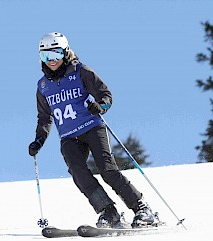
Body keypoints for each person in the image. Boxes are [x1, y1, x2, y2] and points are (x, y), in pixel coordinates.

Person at [28, 32, 157, 228]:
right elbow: (45, 117)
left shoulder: (81, 71)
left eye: (55, 54)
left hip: (92, 128)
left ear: (65, 52)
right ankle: (108, 212)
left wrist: (100, 106)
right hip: (69, 137)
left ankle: (142, 209)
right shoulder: (43, 86)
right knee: (78, 173)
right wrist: (39, 140)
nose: (51, 61)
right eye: (46, 56)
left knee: (107, 170)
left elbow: (105, 95)